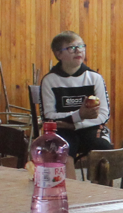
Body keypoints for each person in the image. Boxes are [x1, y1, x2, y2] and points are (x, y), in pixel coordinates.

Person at [40, 31, 112, 160]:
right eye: (72, 48)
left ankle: (99, 174)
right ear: (58, 54)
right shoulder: (49, 80)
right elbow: (48, 117)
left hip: (90, 127)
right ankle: (68, 173)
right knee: (62, 149)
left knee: (103, 147)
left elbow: (104, 115)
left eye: (81, 46)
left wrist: (75, 124)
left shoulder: (95, 78)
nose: (78, 51)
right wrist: (79, 115)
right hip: (61, 130)